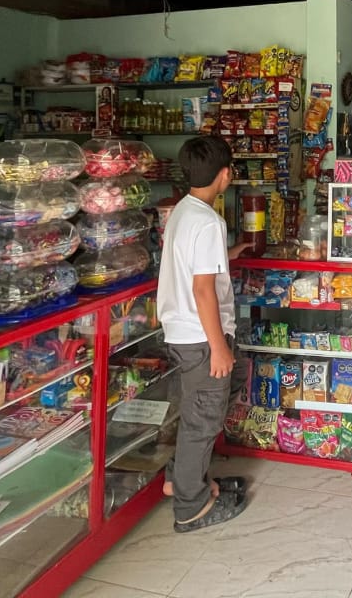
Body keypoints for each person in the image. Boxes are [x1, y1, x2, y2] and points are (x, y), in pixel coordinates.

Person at [157, 136, 251, 532]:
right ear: (225, 174)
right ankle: (190, 508)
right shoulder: (209, 221)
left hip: (181, 333)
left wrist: (227, 257)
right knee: (202, 421)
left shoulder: (183, 210)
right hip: (200, 337)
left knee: (198, 410)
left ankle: (181, 480)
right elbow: (201, 289)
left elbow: (191, 266)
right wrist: (218, 347)